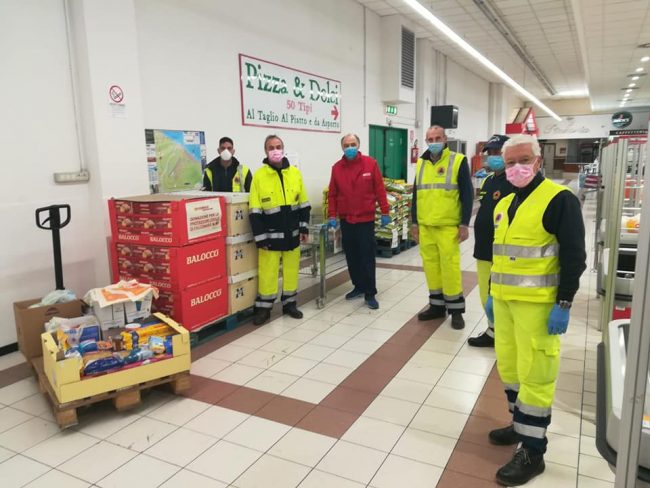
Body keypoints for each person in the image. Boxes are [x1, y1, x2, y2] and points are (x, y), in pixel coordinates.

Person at [484, 134, 586, 486]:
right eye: (510, 162)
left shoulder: (559, 200)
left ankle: (533, 450)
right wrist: (491, 294)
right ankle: (520, 424)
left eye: (523, 160)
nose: (516, 168)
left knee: (536, 374)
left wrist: (564, 303)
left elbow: (574, 255)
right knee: (510, 368)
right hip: (505, 304)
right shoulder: (504, 203)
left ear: (538, 161)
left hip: (539, 307)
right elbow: (501, 255)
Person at [412, 125, 474, 329]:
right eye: (430, 139)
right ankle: (437, 306)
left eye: (438, 138)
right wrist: (414, 223)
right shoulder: (421, 163)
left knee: (450, 268)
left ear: (445, 139)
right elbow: (416, 195)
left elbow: (467, 194)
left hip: (448, 226)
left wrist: (464, 224)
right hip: (426, 225)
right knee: (431, 267)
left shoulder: (458, 161)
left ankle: (456, 310)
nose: (434, 142)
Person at [249, 135, 311, 326]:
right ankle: (264, 309)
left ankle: (290, 304)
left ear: (283, 149)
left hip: (292, 235)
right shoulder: (259, 176)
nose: (275, 150)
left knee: (292, 271)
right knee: (268, 273)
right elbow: (254, 210)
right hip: (269, 237)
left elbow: (304, 204)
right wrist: (260, 238)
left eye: (278, 146)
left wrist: (304, 227)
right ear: (265, 151)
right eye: (271, 147)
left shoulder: (295, 173)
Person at [327, 134, 390, 310]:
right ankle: (358, 286)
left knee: (366, 256)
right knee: (352, 255)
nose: (350, 148)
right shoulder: (337, 168)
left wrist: (385, 211)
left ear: (359, 145)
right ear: (342, 148)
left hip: (365, 219)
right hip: (346, 219)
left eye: (353, 144)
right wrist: (332, 215)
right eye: (346, 145)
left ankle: (370, 292)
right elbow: (332, 194)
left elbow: (379, 189)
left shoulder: (370, 164)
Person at [468, 134, 514, 347]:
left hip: (503, 251)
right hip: (483, 249)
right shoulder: (489, 180)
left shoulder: (514, 181)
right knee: (485, 294)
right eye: (491, 153)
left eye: (498, 152)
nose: (494, 156)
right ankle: (493, 330)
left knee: (501, 294)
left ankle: (505, 334)